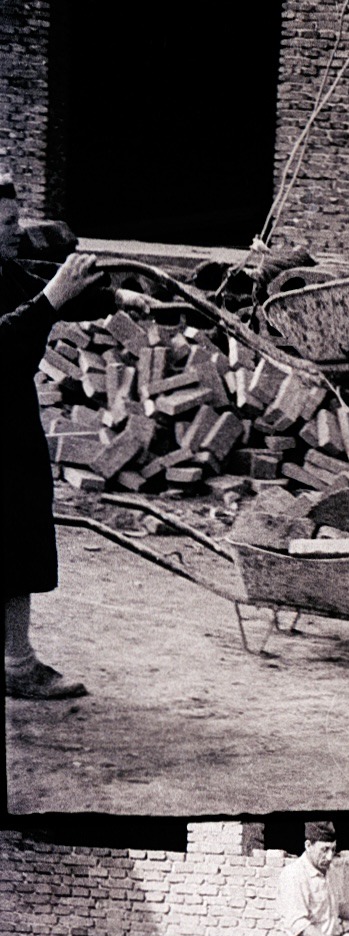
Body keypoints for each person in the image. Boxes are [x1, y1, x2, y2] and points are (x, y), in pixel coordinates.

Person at [1, 172, 104, 698]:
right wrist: (51, 299)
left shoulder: (5, 268)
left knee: (17, 539)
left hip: (9, 428)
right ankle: (16, 665)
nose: (12, 233)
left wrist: (127, 298)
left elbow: (51, 294)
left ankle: (16, 663)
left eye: (15, 222)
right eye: (2, 225)